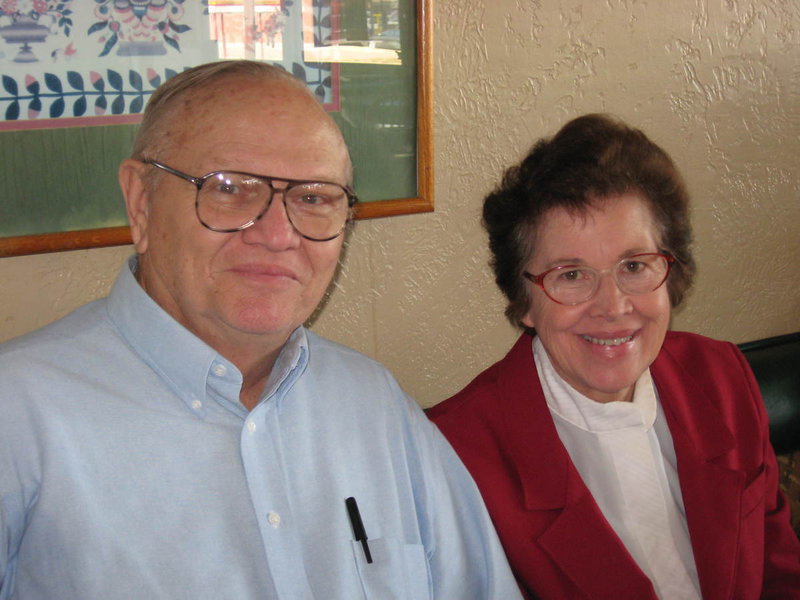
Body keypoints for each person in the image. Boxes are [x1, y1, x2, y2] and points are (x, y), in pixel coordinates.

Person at [0, 60, 521, 600]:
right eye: (230, 188)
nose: (277, 234)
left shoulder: (376, 405)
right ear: (141, 202)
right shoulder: (17, 415)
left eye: (313, 198)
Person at [428, 114, 800, 599]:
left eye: (634, 265)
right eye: (571, 274)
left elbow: (779, 572)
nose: (613, 307)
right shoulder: (456, 456)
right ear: (524, 302)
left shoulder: (722, 377)